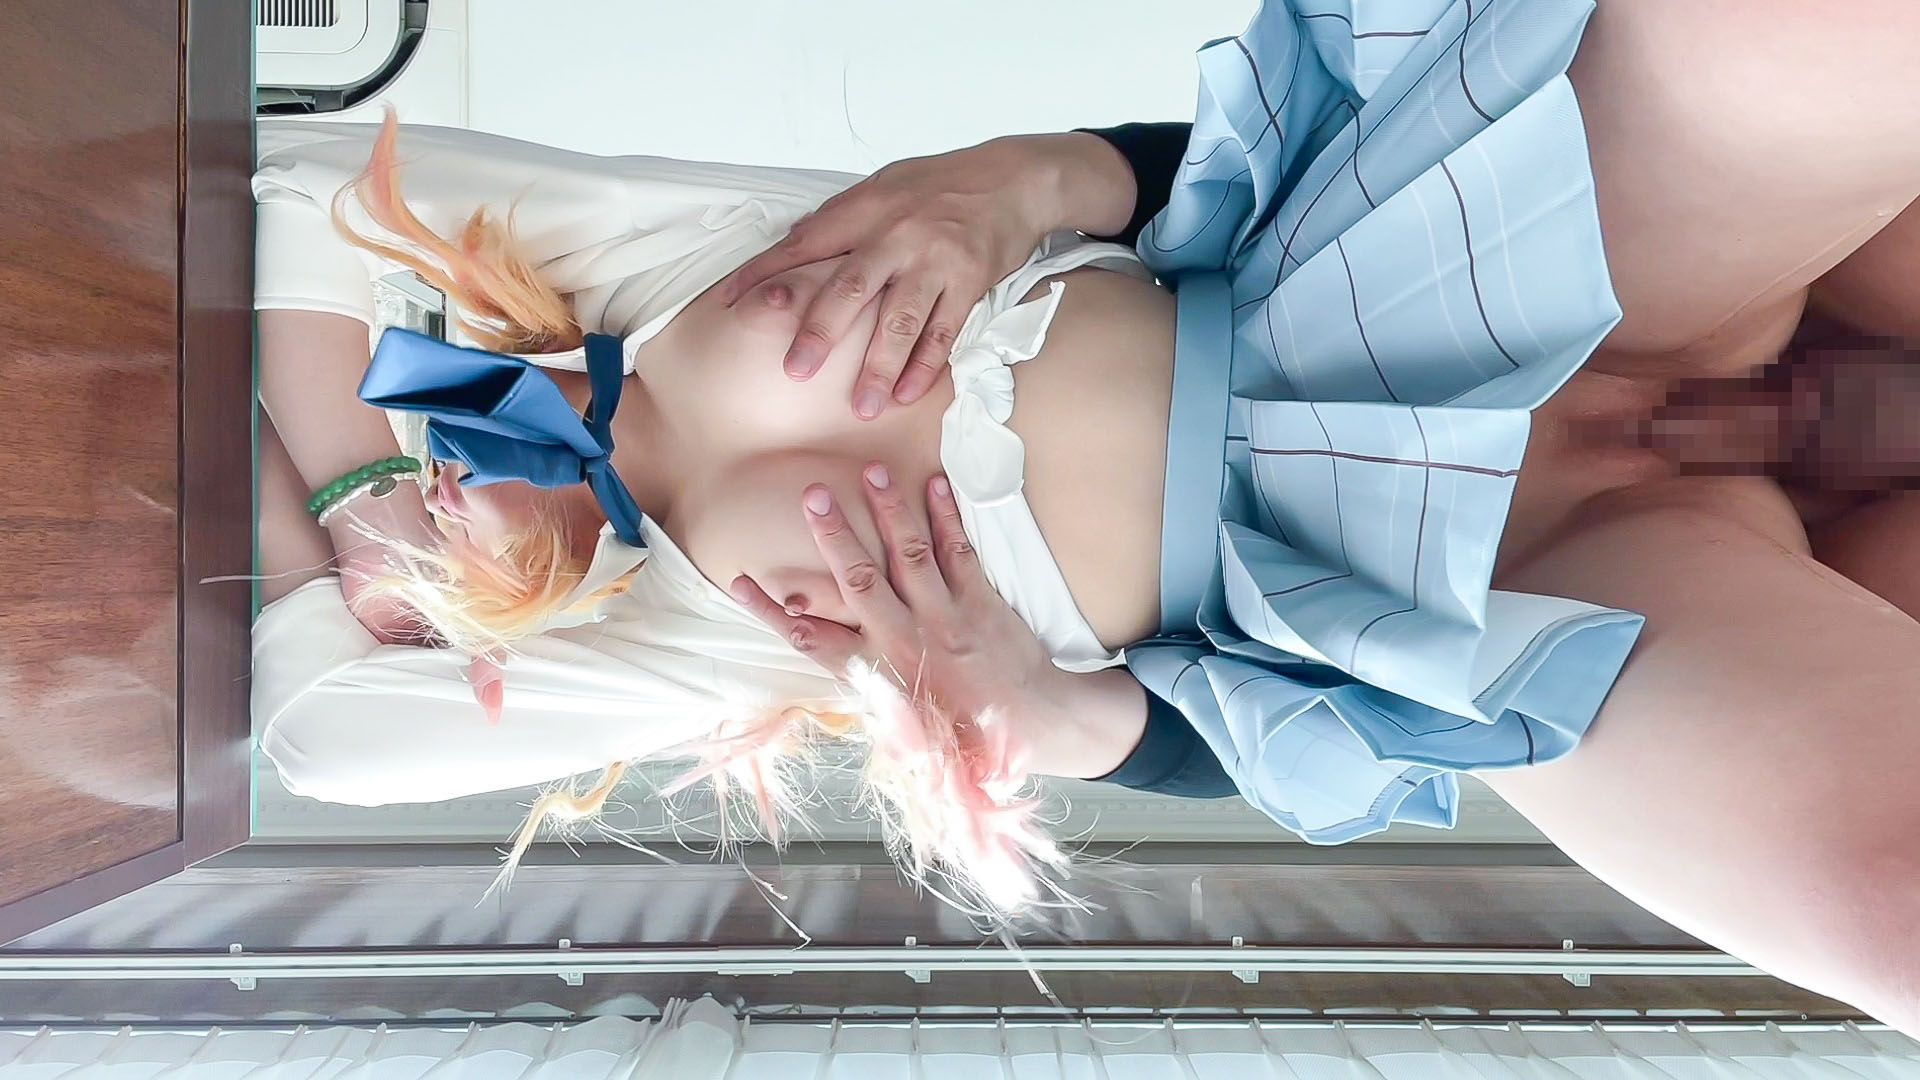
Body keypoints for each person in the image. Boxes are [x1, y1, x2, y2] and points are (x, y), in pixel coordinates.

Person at [253, 0, 1920, 1031]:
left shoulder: (626, 273)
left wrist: (356, 493)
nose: (437, 469)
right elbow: (325, 738)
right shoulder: (674, 636)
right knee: (1890, 911)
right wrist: (1061, 725)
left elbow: (294, 190)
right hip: (1499, 590)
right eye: (432, 506)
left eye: (422, 431)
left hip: (1442, 273)